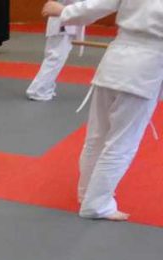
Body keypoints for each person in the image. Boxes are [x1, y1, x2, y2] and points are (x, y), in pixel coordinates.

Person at [42, 0, 163, 221]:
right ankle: (97, 204)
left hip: (114, 63)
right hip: (144, 70)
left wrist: (65, 11)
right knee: (121, 144)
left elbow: (97, 5)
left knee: (96, 138)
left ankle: (87, 193)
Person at [26, 0, 82, 102]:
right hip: (63, 22)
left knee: (55, 56)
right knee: (56, 57)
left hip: (62, 19)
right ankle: (38, 90)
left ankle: (46, 87)